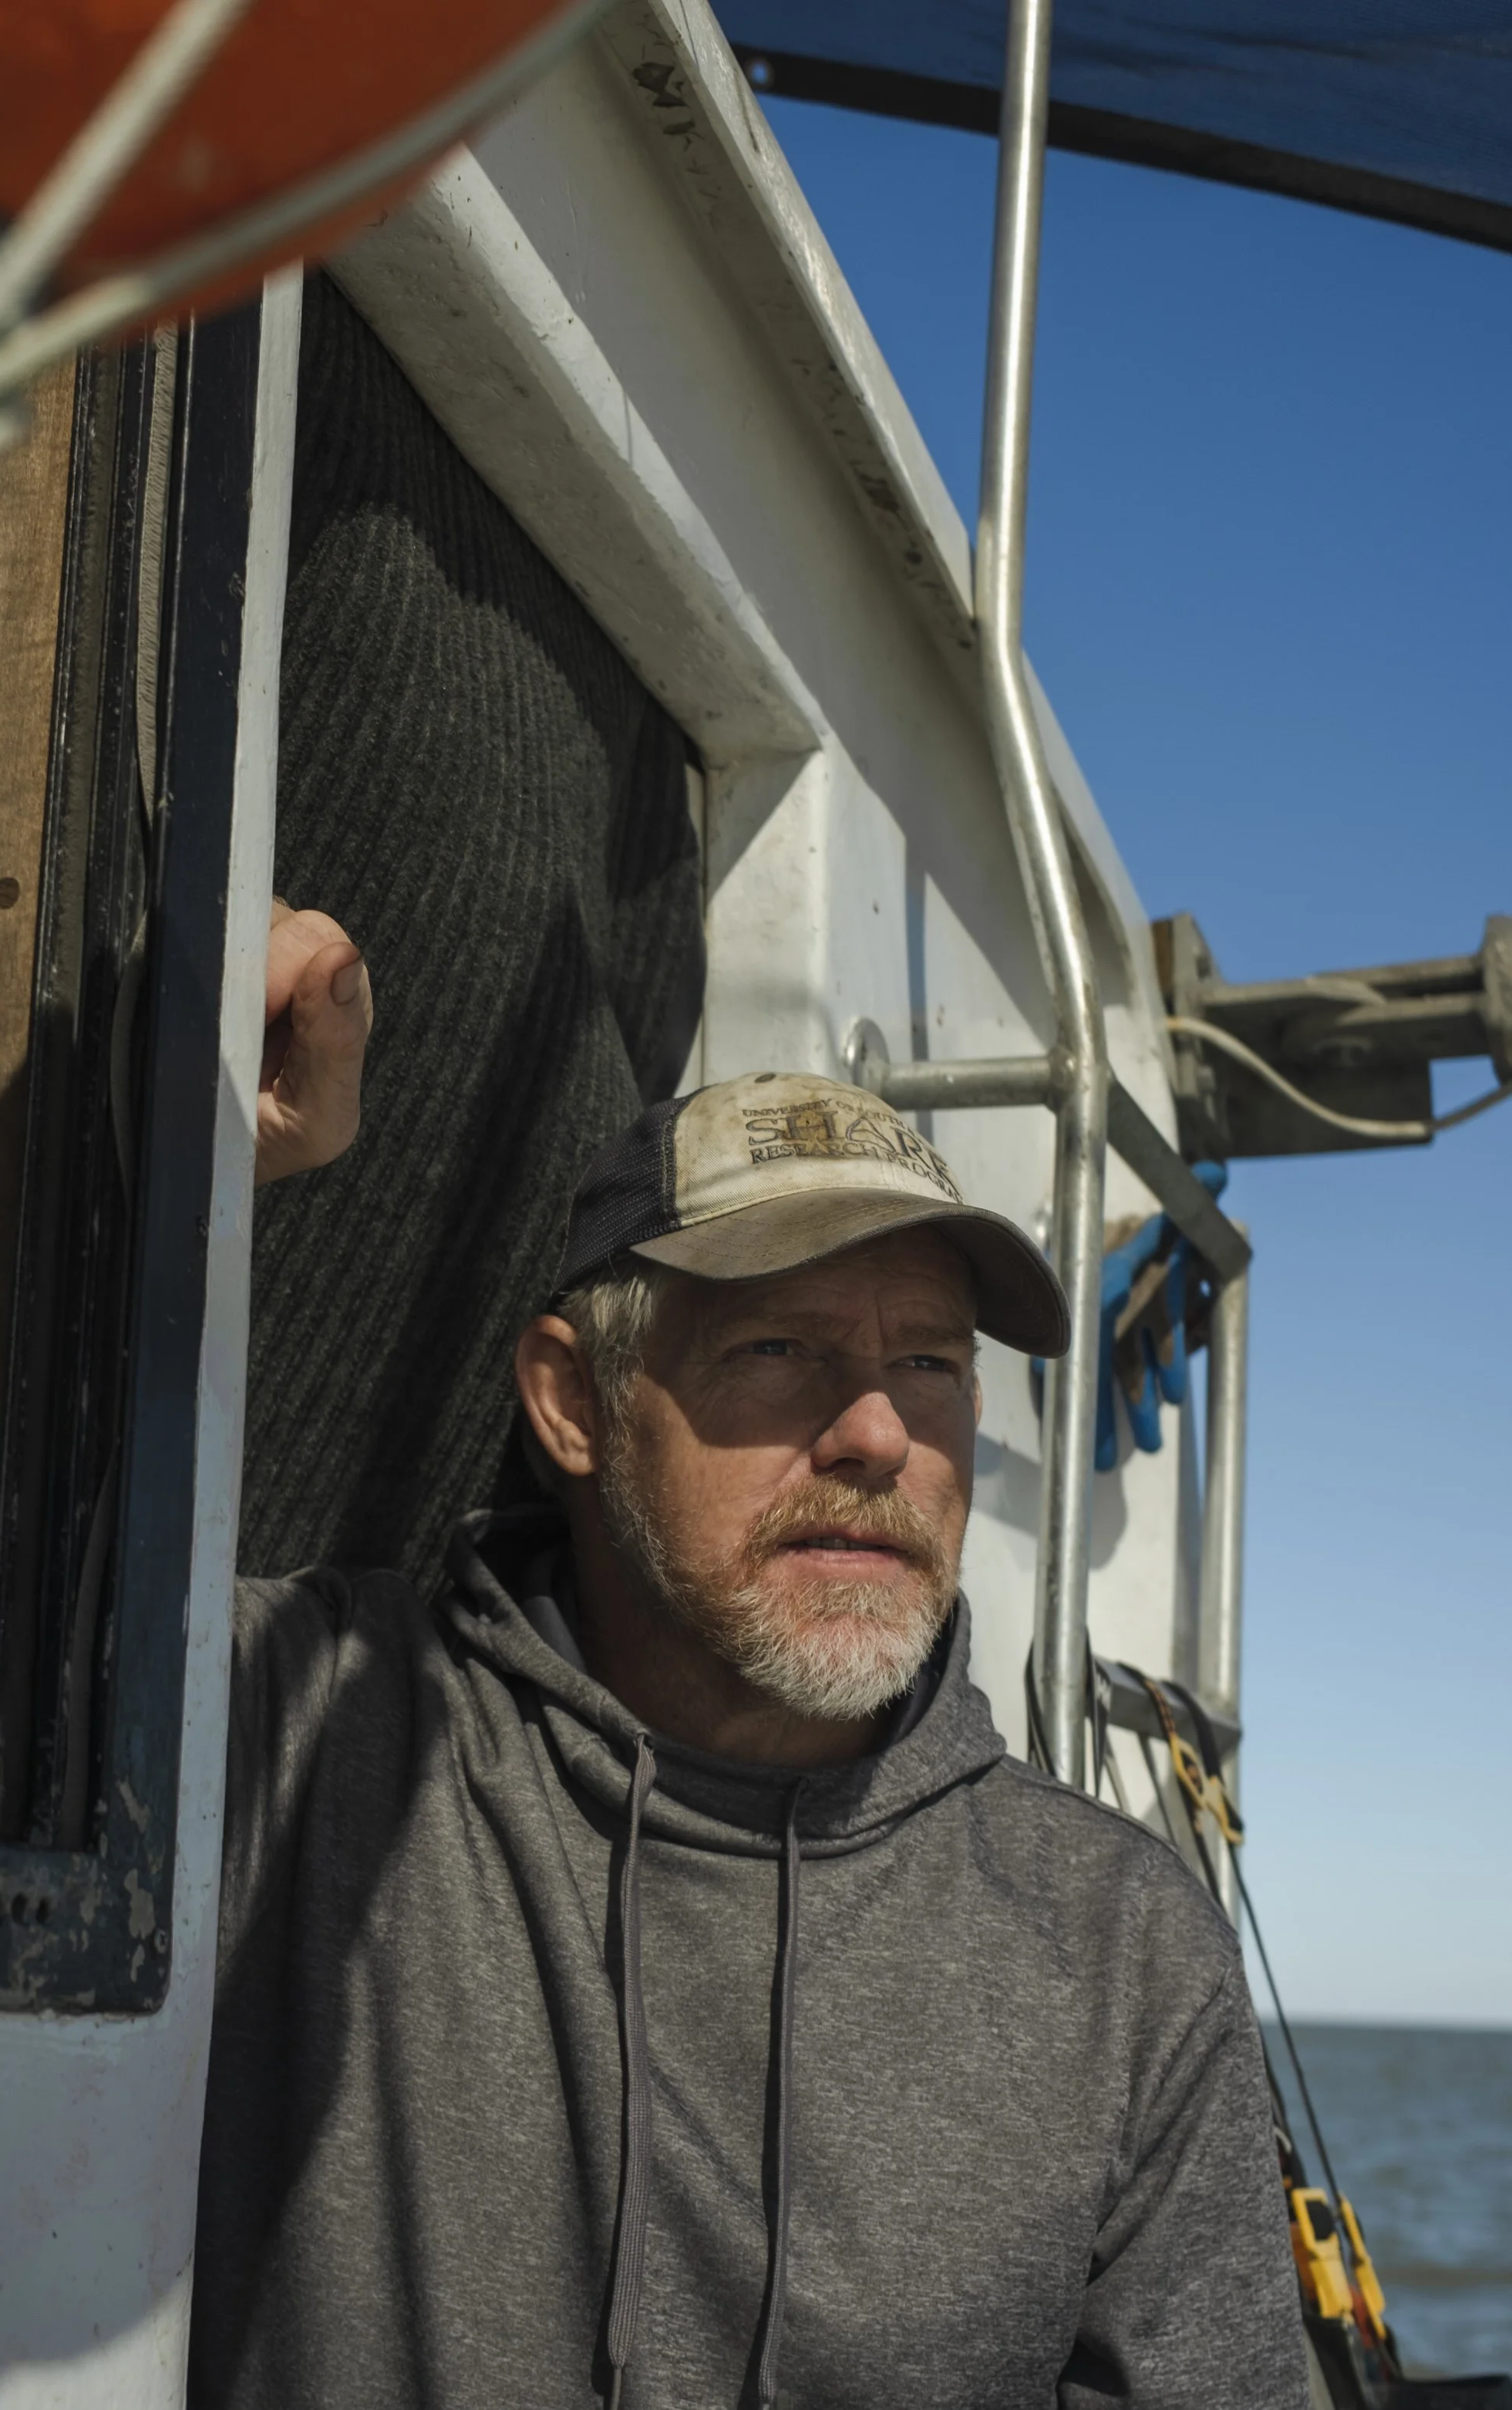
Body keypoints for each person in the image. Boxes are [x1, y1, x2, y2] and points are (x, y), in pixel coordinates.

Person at [187, 920, 1310, 2408]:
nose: (877, 1434)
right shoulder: (311, 1737)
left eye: (929, 1363)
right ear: (572, 1403)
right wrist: (166, 1160)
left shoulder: (1122, 1954)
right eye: (779, 1347)